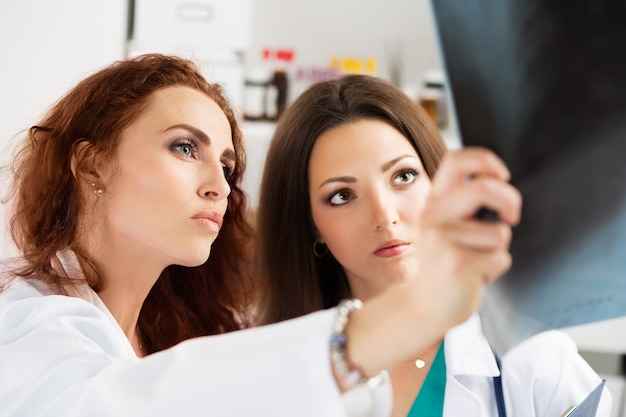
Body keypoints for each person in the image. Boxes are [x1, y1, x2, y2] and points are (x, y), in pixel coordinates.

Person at [0, 54, 519, 417]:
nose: (220, 186)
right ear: (92, 164)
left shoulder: (173, 332)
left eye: (226, 165)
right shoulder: (28, 324)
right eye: (185, 147)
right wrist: (417, 310)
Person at [256, 74, 612, 416]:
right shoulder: (272, 370)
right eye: (342, 195)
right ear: (311, 226)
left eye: (404, 176)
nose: (385, 216)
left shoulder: (534, 358)